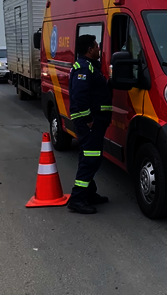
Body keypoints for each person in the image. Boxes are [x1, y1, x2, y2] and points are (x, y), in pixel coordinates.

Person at [67, 34, 113, 214]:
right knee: (90, 160)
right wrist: (89, 120)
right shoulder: (84, 69)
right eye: (96, 45)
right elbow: (80, 97)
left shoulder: (91, 67)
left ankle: (89, 193)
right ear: (89, 49)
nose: (98, 48)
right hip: (89, 123)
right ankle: (77, 199)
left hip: (95, 122)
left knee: (90, 158)